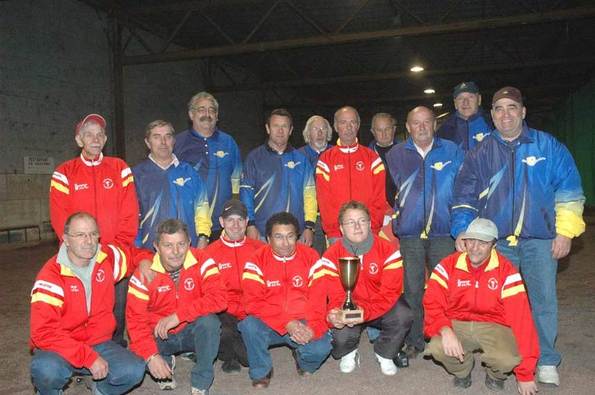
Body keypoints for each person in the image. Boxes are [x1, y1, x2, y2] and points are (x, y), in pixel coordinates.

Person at [451, 87, 586, 386]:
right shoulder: (481, 151)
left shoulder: (548, 146)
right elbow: (464, 195)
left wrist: (565, 232)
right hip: (496, 244)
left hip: (540, 240)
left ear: (523, 112)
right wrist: (462, 229)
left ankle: (547, 360)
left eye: (512, 107)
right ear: (492, 115)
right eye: (498, 108)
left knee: (543, 301)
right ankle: (503, 360)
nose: (505, 114)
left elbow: (570, 191)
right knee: (497, 304)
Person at [49, 113, 139, 347]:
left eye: (100, 134)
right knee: (79, 308)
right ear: (79, 140)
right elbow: (61, 220)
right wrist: (80, 250)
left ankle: (116, 350)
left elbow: (130, 214)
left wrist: (115, 250)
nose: (95, 139)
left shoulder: (120, 168)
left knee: (116, 308)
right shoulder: (64, 172)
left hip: (114, 255)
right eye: (89, 134)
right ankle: (78, 352)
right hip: (78, 257)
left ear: (105, 139)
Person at [30, 212, 145, 395]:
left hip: (98, 342)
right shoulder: (50, 276)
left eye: (93, 234)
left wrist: (144, 261)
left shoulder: (105, 258)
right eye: (80, 235)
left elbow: (132, 255)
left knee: (135, 370)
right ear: (66, 240)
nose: (89, 240)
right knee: (46, 370)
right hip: (61, 346)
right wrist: (88, 358)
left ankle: (101, 390)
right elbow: (43, 333)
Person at [424, 218, 539, 395]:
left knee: (506, 359)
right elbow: (432, 303)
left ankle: (495, 375)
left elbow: (522, 321)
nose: (475, 248)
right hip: (458, 323)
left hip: (494, 325)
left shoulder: (507, 272)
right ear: (465, 240)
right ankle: (463, 370)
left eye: (483, 243)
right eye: (471, 241)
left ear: (494, 245)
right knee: (436, 347)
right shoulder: (447, 266)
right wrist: (445, 330)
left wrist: (525, 374)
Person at [385, 106, 464, 358]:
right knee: (412, 290)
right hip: (409, 234)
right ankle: (415, 340)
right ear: (407, 127)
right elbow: (389, 192)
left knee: (445, 288)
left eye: (426, 122)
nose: (421, 127)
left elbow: (464, 188)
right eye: (415, 123)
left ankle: (446, 336)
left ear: (434, 124)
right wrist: (401, 217)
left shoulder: (453, 151)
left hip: (444, 233)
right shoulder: (395, 154)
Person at [311, 201, 412, 376]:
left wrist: (366, 312)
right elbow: (334, 295)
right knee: (340, 333)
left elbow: (390, 293)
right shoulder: (330, 255)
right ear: (341, 228)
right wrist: (336, 315)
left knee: (404, 314)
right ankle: (349, 351)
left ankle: (385, 352)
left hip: (380, 306)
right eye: (351, 222)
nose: (357, 227)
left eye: (362, 221)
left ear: (370, 224)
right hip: (350, 307)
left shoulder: (388, 250)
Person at [126, 219, 227, 395]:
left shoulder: (202, 260)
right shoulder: (144, 274)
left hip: (189, 329)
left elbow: (220, 299)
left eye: (181, 244)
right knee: (139, 356)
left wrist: (179, 316)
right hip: (159, 334)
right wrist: (151, 356)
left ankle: (202, 378)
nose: (175, 252)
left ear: (189, 243)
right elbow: (135, 322)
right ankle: (164, 359)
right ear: (156, 246)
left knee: (210, 323)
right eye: (168, 245)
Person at [238, 212, 332, 388]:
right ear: (268, 238)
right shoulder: (255, 260)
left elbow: (318, 300)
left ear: (297, 237)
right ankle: (261, 371)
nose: (285, 243)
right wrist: (286, 322)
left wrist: (312, 328)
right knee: (249, 325)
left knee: (321, 348)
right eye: (278, 237)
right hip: (269, 321)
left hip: (303, 320)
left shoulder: (311, 256)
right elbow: (253, 303)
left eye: (290, 237)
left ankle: (303, 361)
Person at [240, 108, 317, 246]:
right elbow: (246, 194)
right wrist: (250, 225)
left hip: (295, 234)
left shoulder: (302, 160)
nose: (280, 131)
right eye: (276, 126)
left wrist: (309, 226)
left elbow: (310, 195)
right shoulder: (254, 158)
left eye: (284, 126)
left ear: (291, 130)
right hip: (262, 234)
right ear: (268, 128)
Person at [205, 199, 265, 373]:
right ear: (222, 222)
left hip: (252, 310)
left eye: (240, 219)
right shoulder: (209, 253)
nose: (236, 225)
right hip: (225, 312)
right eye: (230, 220)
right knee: (221, 331)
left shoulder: (260, 249)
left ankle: (243, 343)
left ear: (247, 222)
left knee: (249, 359)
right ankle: (227, 354)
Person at [174, 91, 242, 242]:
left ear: (217, 116)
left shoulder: (228, 142)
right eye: (201, 109)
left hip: (222, 225)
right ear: (191, 115)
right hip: (188, 224)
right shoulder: (177, 143)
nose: (207, 114)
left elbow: (237, 182)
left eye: (212, 110)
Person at [133, 120, 211, 249]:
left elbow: (202, 208)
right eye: (157, 137)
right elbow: (131, 218)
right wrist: (137, 251)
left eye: (168, 136)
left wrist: (203, 237)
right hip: (150, 252)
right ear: (147, 142)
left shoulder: (190, 173)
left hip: (188, 251)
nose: (163, 142)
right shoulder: (136, 175)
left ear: (174, 141)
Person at [316, 106, 389, 244]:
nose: (348, 127)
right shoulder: (326, 160)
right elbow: (324, 200)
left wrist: (371, 227)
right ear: (336, 127)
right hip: (337, 234)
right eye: (343, 122)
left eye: (352, 122)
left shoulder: (372, 158)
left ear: (358, 125)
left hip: (368, 232)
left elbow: (379, 198)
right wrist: (334, 229)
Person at [298, 115, 333, 254]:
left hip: (334, 217)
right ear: (307, 133)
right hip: (308, 218)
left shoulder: (336, 153)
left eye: (323, 129)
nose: (320, 132)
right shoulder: (297, 157)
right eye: (315, 129)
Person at [436, 81, 493, 151]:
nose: (466, 102)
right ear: (455, 103)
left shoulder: (493, 124)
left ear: (479, 100)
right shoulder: (444, 131)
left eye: (470, 97)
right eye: (460, 98)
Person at [368, 112, 398, 207]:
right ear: (373, 131)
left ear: (394, 129)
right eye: (379, 130)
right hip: (376, 211)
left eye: (387, 129)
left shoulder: (407, 154)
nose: (384, 134)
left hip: (404, 210)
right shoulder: (365, 157)